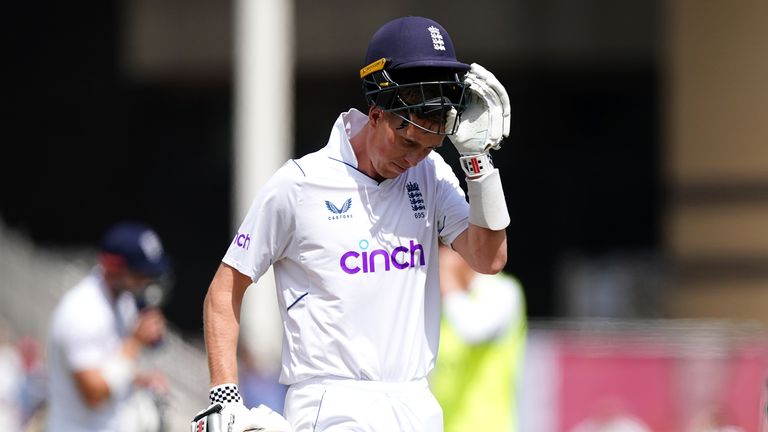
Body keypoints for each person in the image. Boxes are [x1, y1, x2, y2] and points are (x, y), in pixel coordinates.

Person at [193, 15, 511, 432]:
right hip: (332, 401)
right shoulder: (300, 184)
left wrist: (478, 165)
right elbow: (224, 289)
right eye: (408, 142)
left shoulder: (431, 173)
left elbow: (490, 258)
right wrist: (224, 395)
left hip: (415, 404)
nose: (414, 158)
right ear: (376, 112)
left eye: (429, 146)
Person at [45, 221, 170, 432]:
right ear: (115, 269)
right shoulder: (81, 310)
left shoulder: (123, 303)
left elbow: (107, 366)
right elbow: (94, 394)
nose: (147, 281)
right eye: (140, 273)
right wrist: (135, 342)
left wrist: (139, 380)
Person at [429, 243, 526, 432]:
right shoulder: (441, 303)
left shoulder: (502, 290)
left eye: (446, 248)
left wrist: (448, 282)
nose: (439, 258)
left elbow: (473, 330)